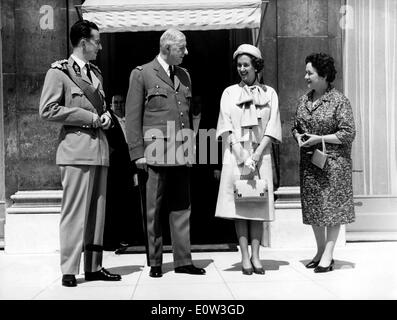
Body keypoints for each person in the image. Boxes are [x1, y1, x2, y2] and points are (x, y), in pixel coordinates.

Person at [39, 20, 121, 287]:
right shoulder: (59, 72)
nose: (99, 46)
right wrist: (89, 117)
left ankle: (94, 266)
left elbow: (102, 107)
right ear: (83, 42)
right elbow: (47, 109)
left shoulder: (95, 72)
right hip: (75, 151)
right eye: (96, 41)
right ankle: (69, 269)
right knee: (74, 212)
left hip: (98, 151)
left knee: (97, 213)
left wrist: (106, 116)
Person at [125, 28, 205, 278]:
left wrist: (191, 150)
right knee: (153, 209)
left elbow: (187, 117)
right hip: (154, 154)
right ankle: (156, 262)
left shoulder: (185, 75)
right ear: (167, 48)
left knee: (182, 208)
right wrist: (137, 153)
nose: (186, 52)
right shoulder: (142, 74)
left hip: (180, 153)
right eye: (182, 48)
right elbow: (132, 117)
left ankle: (183, 260)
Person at [215, 44, 282, 275]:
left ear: (256, 67)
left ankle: (256, 256)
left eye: (246, 65)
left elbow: (272, 126)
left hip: (260, 155)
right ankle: (244, 256)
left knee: (258, 205)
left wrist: (255, 154)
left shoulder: (269, 93)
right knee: (240, 206)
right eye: (239, 65)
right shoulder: (229, 93)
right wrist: (242, 155)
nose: (242, 69)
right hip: (236, 156)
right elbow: (226, 126)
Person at [292, 53, 356, 273]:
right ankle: (319, 251)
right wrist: (298, 136)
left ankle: (328, 255)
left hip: (334, 165)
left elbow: (348, 133)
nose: (305, 76)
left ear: (324, 75)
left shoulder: (339, 101)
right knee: (315, 210)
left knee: (333, 210)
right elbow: (295, 126)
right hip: (310, 163)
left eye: (310, 73)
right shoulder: (304, 99)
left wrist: (319, 138)